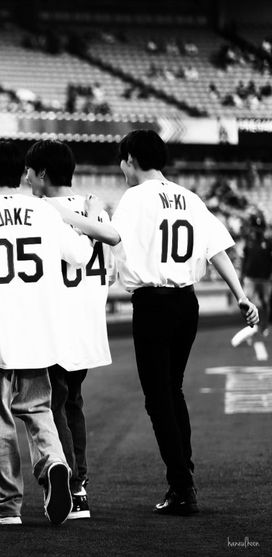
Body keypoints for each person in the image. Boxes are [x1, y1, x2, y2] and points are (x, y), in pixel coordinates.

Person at [46, 129, 259, 515]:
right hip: (186, 304)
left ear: (130, 159)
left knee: (159, 398)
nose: (121, 169)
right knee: (172, 392)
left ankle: (182, 485)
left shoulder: (136, 197)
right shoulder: (190, 198)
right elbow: (217, 250)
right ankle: (183, 479)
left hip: (153, 305)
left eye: (121, 161)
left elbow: (110, 235)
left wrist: (59, 211)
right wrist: (241, 295)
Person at [0, 140, 94, 526]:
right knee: (39, 409)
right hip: (39, 329)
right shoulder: (45, 212)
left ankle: (5, 504)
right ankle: (55, 464)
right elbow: (80, 255)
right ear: (21, 173)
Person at [26, 139, 114, 520]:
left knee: (54, 402)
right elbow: (109, 263)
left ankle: (73, 485)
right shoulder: (95, 209)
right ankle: (80, 485)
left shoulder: (39, 211)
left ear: (42, 173)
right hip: (88, 319)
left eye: (30, 171)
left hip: (55, 320)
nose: (26, 178)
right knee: (72, 400)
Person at [230, 212, 272, 345]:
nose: (257, 230)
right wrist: (242, 276)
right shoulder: (248, 241)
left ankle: (264, 326)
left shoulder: (268, 242)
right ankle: (250, 328)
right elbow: (244, 260)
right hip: (250, 278)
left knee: (266, 303)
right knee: (248, 305)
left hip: (264, 278)